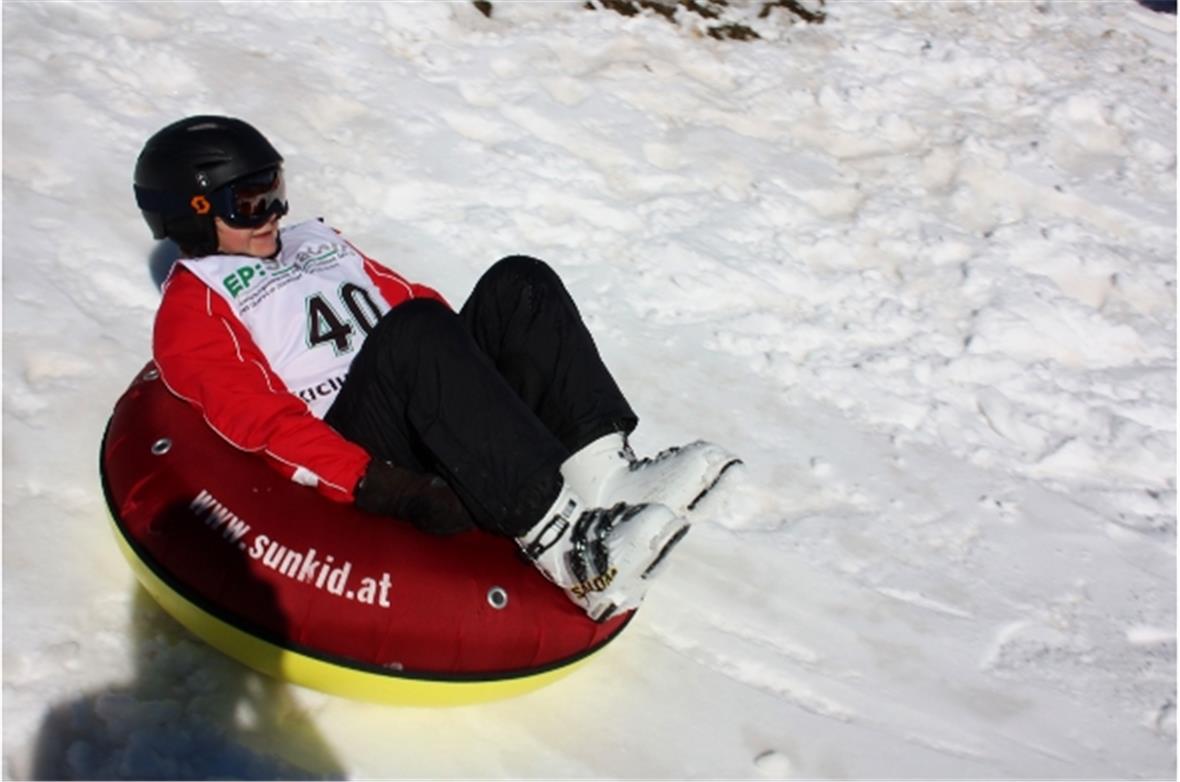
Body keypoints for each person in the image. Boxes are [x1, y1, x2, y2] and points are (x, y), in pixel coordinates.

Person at [133, 115, 738, 622]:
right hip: (362, 435)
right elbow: (258, 421)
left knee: (518, 284)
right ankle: (574, 558)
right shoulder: (195, 306)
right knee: (416, 331)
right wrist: (378, 482)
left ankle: (606, 482)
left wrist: (480, 386)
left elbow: (409, 302)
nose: (271, 213)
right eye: (248, 203)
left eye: (275, 191)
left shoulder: (317, 242)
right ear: (193, 214)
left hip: (413, 385)